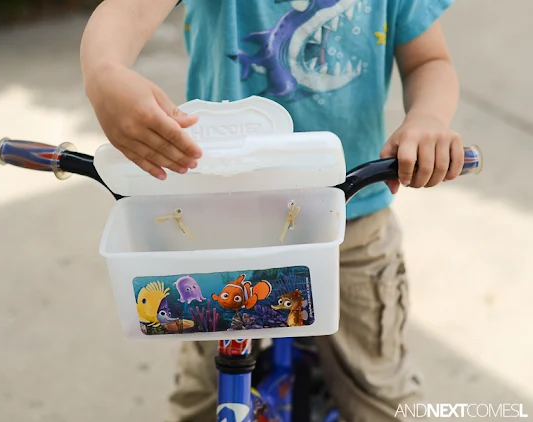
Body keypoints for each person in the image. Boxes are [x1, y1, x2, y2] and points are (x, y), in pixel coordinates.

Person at [80, 0, 463, 420]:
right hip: (218, 219)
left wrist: (428, 117)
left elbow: (429, 59)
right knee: (205, 398)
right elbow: (128, 12)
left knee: (380, 393)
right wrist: (104, 72)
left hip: (351, 218)